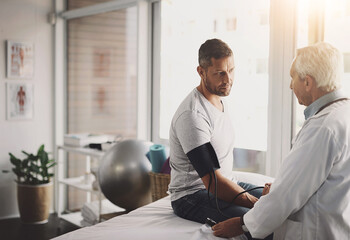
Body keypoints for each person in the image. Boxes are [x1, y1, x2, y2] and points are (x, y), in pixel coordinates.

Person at [212, 42, 350, 239]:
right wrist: (277, 187)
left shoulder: (323, 127)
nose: (290, 85)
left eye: (293, 78)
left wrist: (242, 224)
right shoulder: (343, 114)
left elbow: (288, 194)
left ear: (308, 82)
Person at [168, 38, 271, 239]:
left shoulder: (217, 98)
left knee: (280, 204)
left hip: (223, 183)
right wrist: (257, 204)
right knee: (258, 225)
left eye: (231, 70)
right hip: (191, 195)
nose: (228, 79)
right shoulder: (192, 115)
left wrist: (268, 202)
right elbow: (213, 183)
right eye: (220, 73)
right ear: (201, 71)